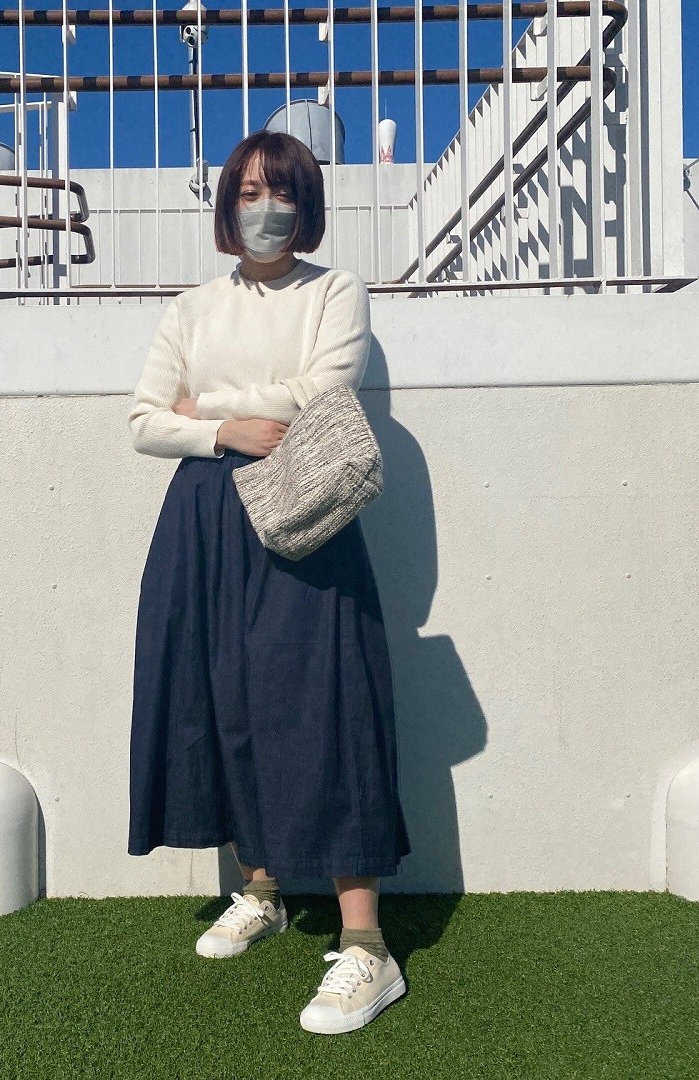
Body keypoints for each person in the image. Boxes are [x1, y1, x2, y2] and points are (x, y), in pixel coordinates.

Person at [126, 128, 412, 1035]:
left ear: (306, 203)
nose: (264, 208)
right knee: (223, 693)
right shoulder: (192, 307)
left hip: (302, 504)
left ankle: (366, 945)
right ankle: (261, 889)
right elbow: (143, 419)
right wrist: (223, 432)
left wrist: (207, 409)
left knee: (327, 698)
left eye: (280, 191)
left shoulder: (335, 291)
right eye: (247, 193)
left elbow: (325, 390)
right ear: (227, 206)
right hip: (206, 514)